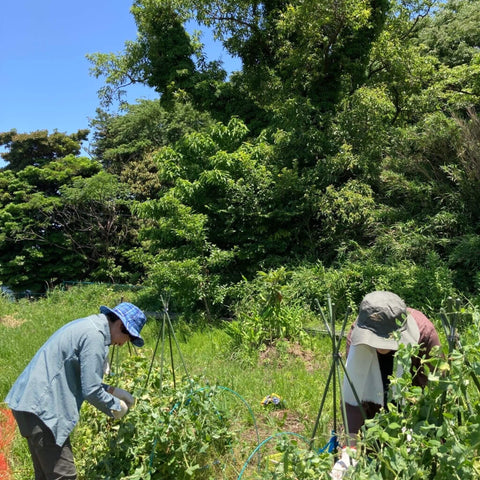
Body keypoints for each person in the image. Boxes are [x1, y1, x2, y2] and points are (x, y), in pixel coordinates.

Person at [5, 301, 147, 480]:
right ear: (121, 325)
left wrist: (112, 390)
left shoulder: (88, 326)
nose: (124, 343)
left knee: (46, 475)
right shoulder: (95, 337)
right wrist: (116, 407)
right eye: (130, 338)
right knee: (65, 475)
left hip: (30, 404)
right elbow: (91, 390)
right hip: (43, 409)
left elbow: (82, 380)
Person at [331, 291, 441, 479]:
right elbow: (354, 390)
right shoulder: (357, 336)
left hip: (412, 410)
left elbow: (435, 390)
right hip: (376, 415)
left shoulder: (425, 335)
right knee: (372, 460)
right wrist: (350, 447)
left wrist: (416, 429)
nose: (381, 346)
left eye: (386, 340)